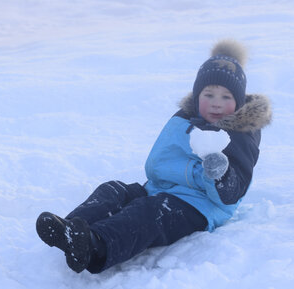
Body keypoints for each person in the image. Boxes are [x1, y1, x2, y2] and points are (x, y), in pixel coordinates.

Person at [36, 39, 272, 274]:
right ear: (197, 95)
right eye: (208, 94)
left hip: (199, 205)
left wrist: (218, 173)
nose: (216, 104)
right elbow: (159, 161)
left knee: (149, 213)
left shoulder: (240, 134)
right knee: (114, 190)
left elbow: (232, 192)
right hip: (159, 188)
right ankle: (71, 229)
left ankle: (96, 244)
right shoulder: (185, 119)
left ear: (239, 101)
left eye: (226, 97)